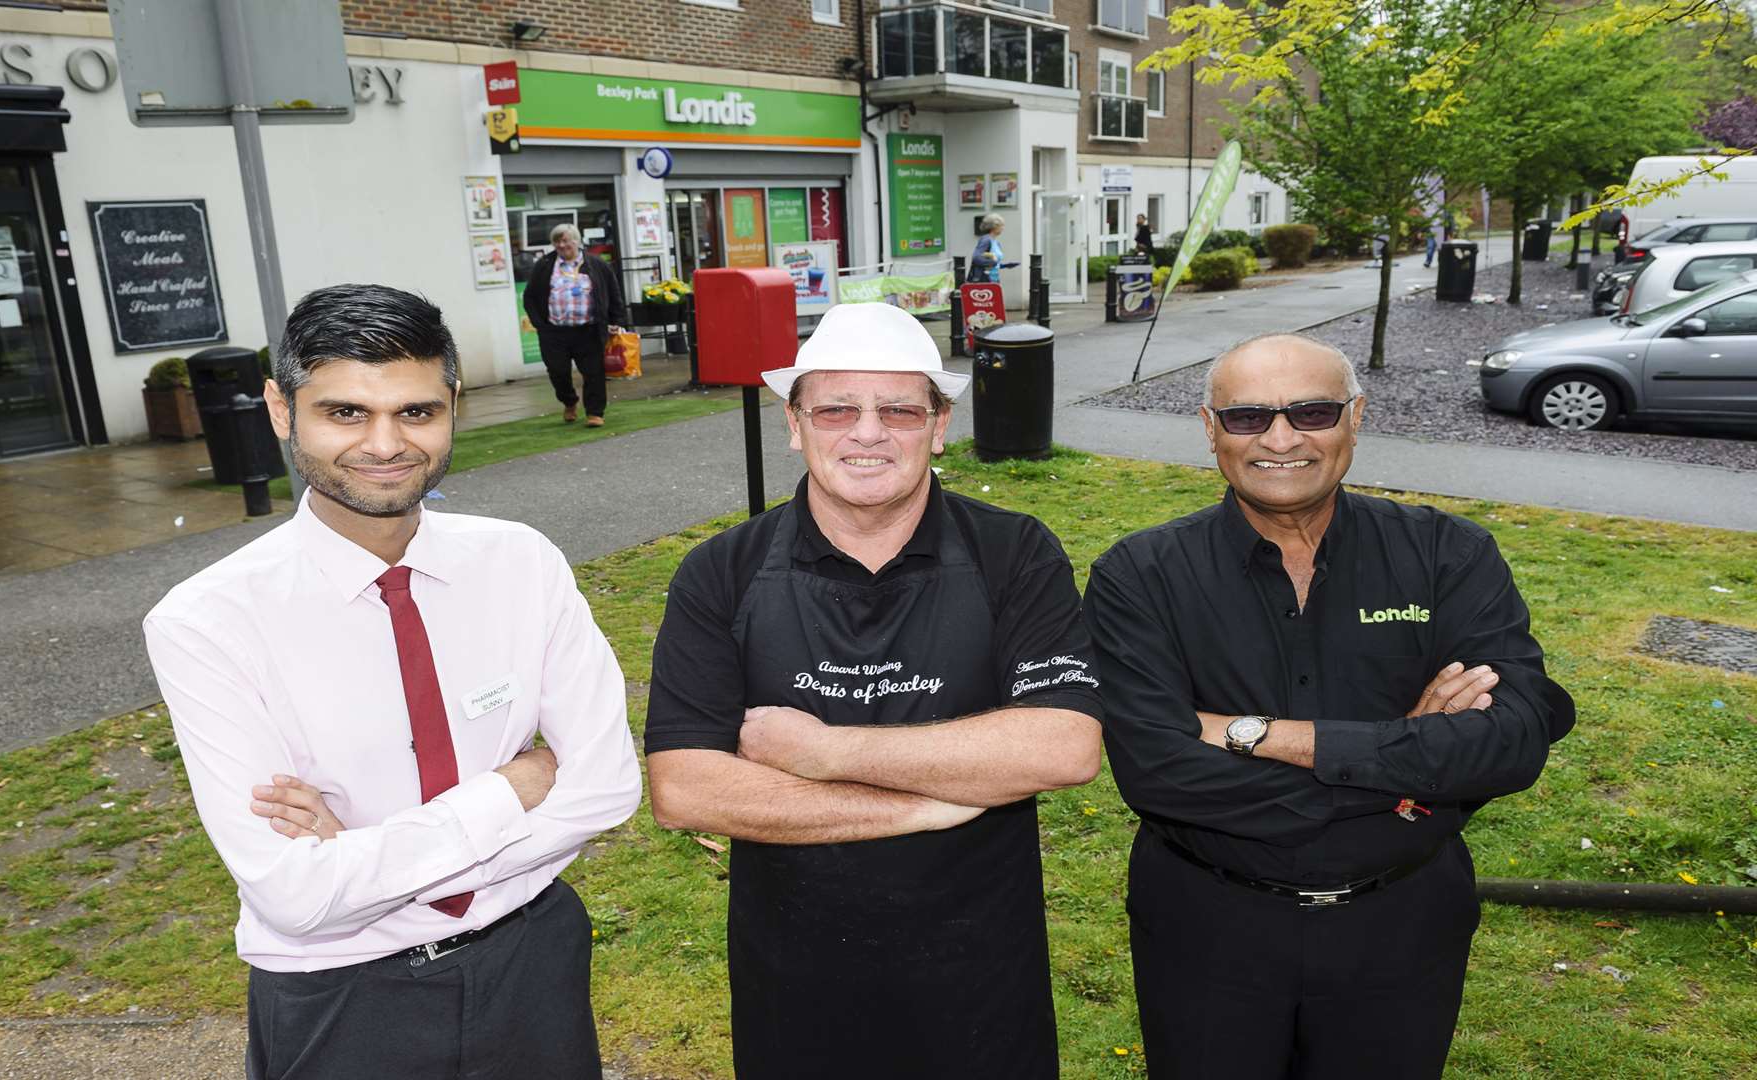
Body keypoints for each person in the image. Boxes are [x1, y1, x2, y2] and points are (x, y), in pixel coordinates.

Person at [144, 284, 642, 1079]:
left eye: (415, 412)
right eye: (344, 413)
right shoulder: (207, 621)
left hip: (530, 962)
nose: (385, 444)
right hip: (343, 997)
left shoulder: (521, 562)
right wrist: (509, 790)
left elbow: (609, 789)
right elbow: (296, 897)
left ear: (453, 405)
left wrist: (366, 860)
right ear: (281, 409)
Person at [1084, 332, 1575, 1080]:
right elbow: (1156, 771)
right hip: (1208, 929)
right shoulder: (1139, 575)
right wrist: (1411, 773)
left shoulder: (1449, 555)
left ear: (1356, 417)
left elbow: (1512, 740)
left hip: (1402, 926)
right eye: (1248, 418)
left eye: (1311, 412)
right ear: (1211, 430)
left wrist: (1254, 736)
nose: (1281, 439)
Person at [644, 302, 1104, 1080]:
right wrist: (925, 804)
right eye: (836, 410)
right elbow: (686, 789)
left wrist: (821, 753)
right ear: (795, 424)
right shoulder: (722, 571)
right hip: (795, 984)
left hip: (981, 983)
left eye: (898, 409)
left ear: (939, 425)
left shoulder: (1014, 552)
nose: (867, 433)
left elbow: (1062, 744)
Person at [522, 223, 627, 427]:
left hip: (588, 329)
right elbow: (530, 297)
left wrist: (617, 321)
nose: (562, 245)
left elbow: (613, 294)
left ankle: (595, 413)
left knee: (593, 372)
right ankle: (569, 401)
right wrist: (540, 325)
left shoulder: (597, 265)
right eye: (557, 241)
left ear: (577, 242)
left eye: (566, 240)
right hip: (554, 331)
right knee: (557, 371)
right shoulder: (544, 265)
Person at [967, 212, 1008, 282]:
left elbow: (993, 260)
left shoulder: (996, 242)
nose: (1003, 228)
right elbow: (976, 257)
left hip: (993, 278)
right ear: (994, 226)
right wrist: (993, 262)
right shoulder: (986, 240)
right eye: (1001, 225)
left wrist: (1005, 265)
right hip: (984, 279)